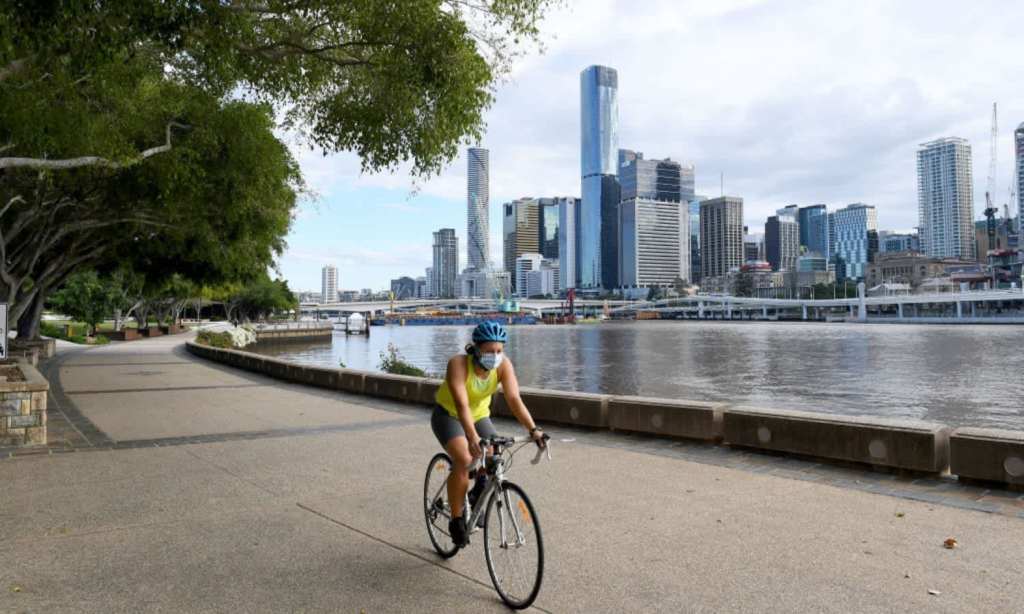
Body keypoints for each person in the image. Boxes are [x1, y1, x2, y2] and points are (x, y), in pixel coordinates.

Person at [431, 320, 545, 547]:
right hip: (449, 415)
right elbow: (462, 405)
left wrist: (533, 430)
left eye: (499, 351)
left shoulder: (503, 366)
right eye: (489, 351)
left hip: (480, 416)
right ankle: (456, 520)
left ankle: (478, 491)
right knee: (464, 459)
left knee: (493, 457)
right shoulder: (458, 364)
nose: (495, 355)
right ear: (476, 349)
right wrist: (472, 437)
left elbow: (514, 399)